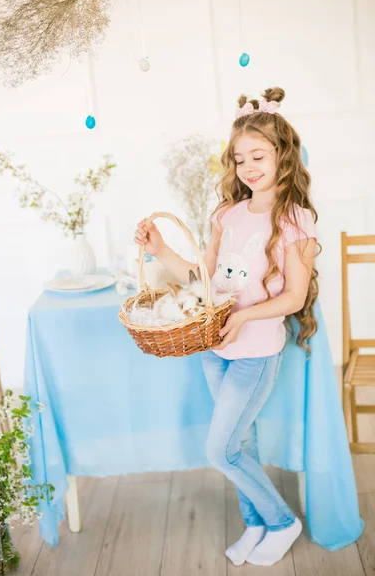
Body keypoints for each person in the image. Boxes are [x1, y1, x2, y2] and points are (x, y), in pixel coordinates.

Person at [134, 87, 319, 567]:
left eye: (258, 155)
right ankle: (255, 523)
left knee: (221, 450)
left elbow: (294, 297)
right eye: (240, 159)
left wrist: (241, 315)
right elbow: (203, 279)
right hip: (214, 348)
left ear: (283, 154)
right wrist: (158, 251)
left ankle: (281, 521)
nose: (248, 167)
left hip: (254, 353)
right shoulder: (227, 215)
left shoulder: (294, 220)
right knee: (241, 443)